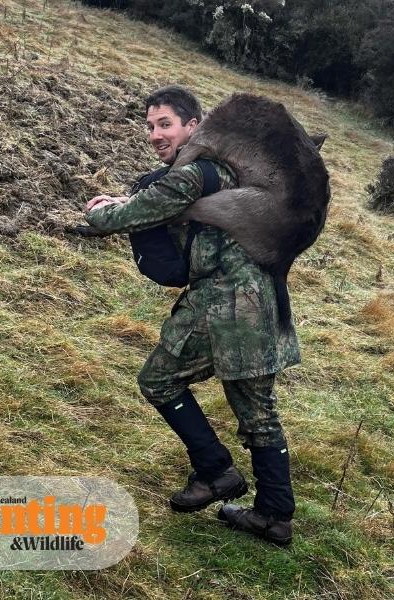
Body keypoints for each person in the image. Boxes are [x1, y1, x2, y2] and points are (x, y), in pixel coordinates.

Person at [84, 85, 300, 546]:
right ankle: (273, 514)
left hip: (223, 303)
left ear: (193, 126)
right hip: (261, 299)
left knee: (159, 381)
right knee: (258, 412)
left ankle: (216, 470)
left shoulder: (195, 173)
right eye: (149, 126)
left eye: (165, 124)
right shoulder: (228, 169)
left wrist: (100, 213)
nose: (155, 134)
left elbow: (136, 213)